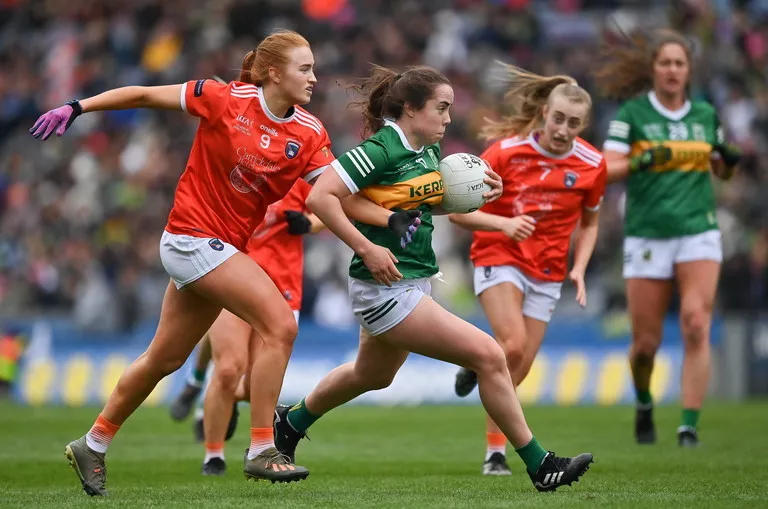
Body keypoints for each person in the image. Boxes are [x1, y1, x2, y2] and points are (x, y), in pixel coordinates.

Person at [29, 30, 415, 495]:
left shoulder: (309, 133)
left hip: (217, 251)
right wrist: (77, 107)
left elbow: (334, 198)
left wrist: (389, 219)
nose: (315, 77)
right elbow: (145, 94)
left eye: (313, 68)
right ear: (274, 72)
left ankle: (94, 442)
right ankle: (261, 449)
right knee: (282, 326)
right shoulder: (222, 98)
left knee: (163, 358)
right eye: (304, 68)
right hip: (190, 238)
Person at [271, 64, 594, 492]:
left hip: (413, 278)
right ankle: (541, 464)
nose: (447, 118)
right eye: (441, 108)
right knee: (491, 356)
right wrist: (367, 247)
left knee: (372, 374)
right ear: (410, 108)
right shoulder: (381, 148)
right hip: (383, 286)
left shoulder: (425, 152)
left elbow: (427, 207)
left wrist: (480, 194)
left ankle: (290, 423)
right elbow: (321, 197)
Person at [448, 64, 606, 475]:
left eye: (573, 122)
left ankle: (476, 365)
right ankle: (495, 453)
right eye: (557, 118)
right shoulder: (505, 152)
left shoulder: (592, 164)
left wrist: (581, 267)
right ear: (543, 114)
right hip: (499, 254)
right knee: (512, 344)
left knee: (518, 365)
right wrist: (503, 224)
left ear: (583, 124)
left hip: (549, 271)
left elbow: (590, 222)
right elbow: (457, 213)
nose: (562, 128)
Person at [594, 29, 741, 447]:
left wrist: (729, 162)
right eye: (665, 63)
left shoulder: (706, 115)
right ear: (653, 69)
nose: (673, 70)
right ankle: (644, 403)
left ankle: (688, 426)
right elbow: (606, 168)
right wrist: (642, 160)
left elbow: (722, 169)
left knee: (697, 322)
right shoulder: (632, 115)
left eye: (680, 63)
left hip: (698, 231)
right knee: (645, 345)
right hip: (647, 235)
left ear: (688, 70)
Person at [197, 179, 322, 476]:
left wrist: (308, 223)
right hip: (233, 276)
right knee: (228, 366)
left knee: (257, 384)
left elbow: (331, 208)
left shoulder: (298, 176)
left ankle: (217, 396)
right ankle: (213, 456)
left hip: (281, 283)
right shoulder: (235, 173)